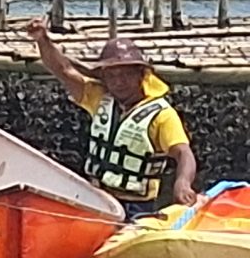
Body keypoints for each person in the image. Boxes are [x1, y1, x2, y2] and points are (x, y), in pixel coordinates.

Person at [27, 21, 201, 215]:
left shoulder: (162, 115)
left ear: (141, 75)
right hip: (96, 197)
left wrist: (183, 183)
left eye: (126, 75)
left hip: (135, 206)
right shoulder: (99, 99)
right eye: (112, 75)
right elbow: (63, 70)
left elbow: (183, 153)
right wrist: (42, 40)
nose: (119, 82)